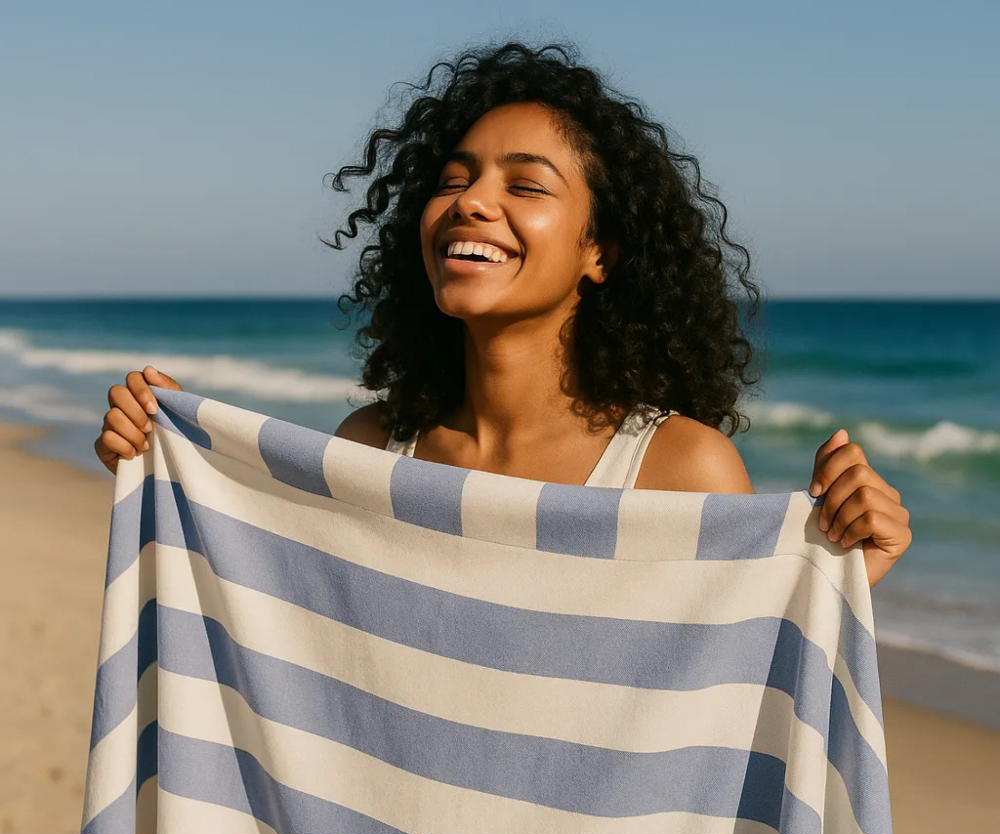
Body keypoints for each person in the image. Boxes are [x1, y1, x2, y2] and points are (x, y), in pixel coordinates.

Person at [93, 42, 911, 587]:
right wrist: (158, 466)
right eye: (453, 179)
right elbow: (285, 637)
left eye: (525, 185)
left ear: (601, 252)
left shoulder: (678, 470)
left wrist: (839, 580)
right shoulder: (373, 450)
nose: (472, 203)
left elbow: (719, 695)